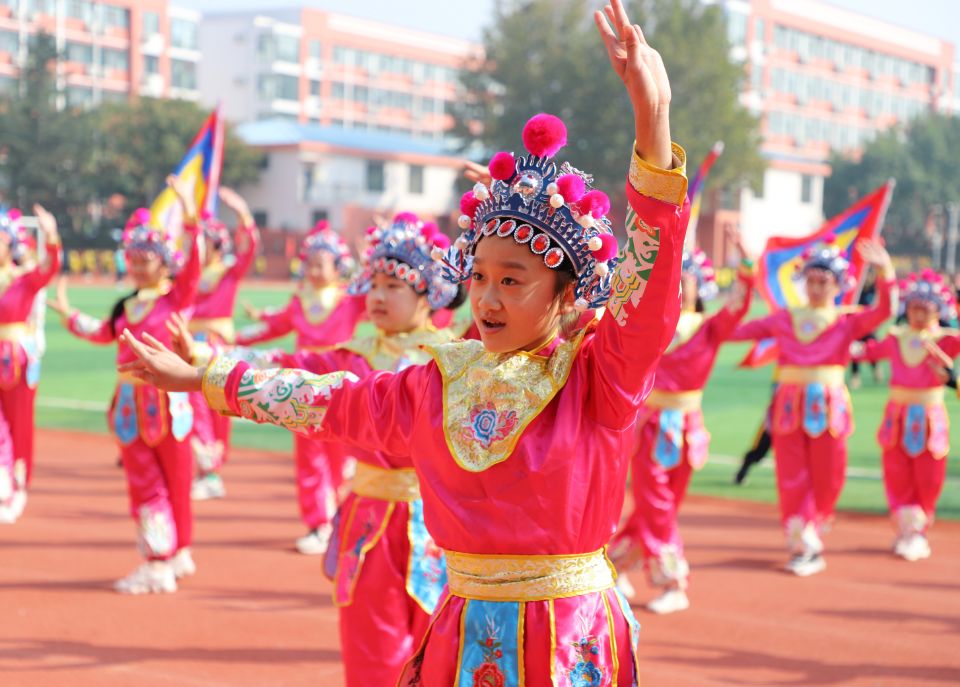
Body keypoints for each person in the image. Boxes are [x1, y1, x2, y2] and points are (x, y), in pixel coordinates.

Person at [121, 1, 688, 680]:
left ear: (566, 294)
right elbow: (330, 397)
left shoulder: (598, 378)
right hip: (466, 630)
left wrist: (653, 130)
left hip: (568, 640)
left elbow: (648, 292)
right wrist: (208, 378)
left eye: (513, 279)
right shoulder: (435, 381)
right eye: (478, 275)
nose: (486, 297)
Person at [181, 214, 464, 685]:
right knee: (371, 646)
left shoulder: (455, 358)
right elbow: (287, 366)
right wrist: (205, 359)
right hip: (369, 518)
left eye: (394, 284)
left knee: (444, 650)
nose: (376, 295)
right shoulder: (350, 355)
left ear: (428, 294)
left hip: (439, 524)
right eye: (372, 283)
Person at [48, 177, 201, 593]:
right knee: (146, 478)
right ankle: (165, 555)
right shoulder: (126, 305)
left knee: (173, 480)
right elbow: (103, 333)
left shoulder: (176, 297)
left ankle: (163, 560)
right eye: (132, 257)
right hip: (132, 404)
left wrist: (190, 218)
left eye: (145, 257)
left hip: (169, 402)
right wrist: (69, 315)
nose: (135, 264)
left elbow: (196, 264)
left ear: (164, 261)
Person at [728, 235, 895, 576]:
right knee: (790, 475)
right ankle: (802, 537)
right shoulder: (784, 318)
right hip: (789, 406)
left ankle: (813, 526)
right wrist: (746, 270)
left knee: (829, 474)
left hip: (828, 408)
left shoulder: (847, 320)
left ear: (838, 285)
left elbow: (885, 312)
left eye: (824, 281)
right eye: (812, 280)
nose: (817, 287)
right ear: (803, 281)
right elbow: (735, 330)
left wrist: (886, 272)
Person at [611, 236, 754, 613]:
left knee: (662, 507)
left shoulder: (709, 327)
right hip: (650, 426)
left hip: (688, 427)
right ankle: (672, 581)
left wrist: (747, 269)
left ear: (699, 285)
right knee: (655, 502)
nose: (680, 287)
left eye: (685, 279)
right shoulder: (652, 326)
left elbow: (739, 306)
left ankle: (613, 565)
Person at [236, 221, 366, 555]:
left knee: (339, 455)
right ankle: (317, 522)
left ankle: (334, 514)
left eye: (320, 263)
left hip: (341, 386)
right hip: (301, 384)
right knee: (309, 456)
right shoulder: (299, 303)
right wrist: (232, 338)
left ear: (338, 267)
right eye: (309, 263)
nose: (313, 269)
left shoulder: (351, 300)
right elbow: (273, 327)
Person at [852, 270, 959, 561]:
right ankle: (904, 528)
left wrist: (952, 376)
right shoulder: (896, 338)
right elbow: (868, 351)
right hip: (897, 418)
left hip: (928, 419)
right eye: (914, 307)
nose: (920, 314)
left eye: (926, 308)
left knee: (928, 475)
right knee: (897, 473)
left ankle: (918, 531)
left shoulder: (947, 340)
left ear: (939, 309)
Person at [187, 188, 260, 501]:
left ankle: (212, 469)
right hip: (191, 344)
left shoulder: (228, 272)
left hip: (217, 345)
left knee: (220, 406)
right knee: (195, 405)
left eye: (204, 243)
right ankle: (206, 469)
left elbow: (250, 247)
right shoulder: (188, 274)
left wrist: (242, 213)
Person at [0, 205, 62, 524]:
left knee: (19, 421)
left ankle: (19, 483)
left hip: (15, 360)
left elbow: (50, 267)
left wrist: (50, 235)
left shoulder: (23, 280)